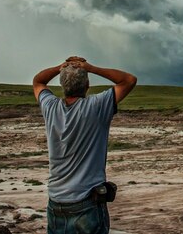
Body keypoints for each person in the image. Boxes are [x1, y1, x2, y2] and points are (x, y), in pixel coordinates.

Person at [33, 56, 137, 234]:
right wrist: (91, 68)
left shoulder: (50, 107)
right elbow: (129, 80)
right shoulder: (96, 106)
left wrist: (61, 67)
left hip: (56, 202)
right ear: (87, 85)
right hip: (86, 201)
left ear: (63, 87)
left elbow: (38, 81)